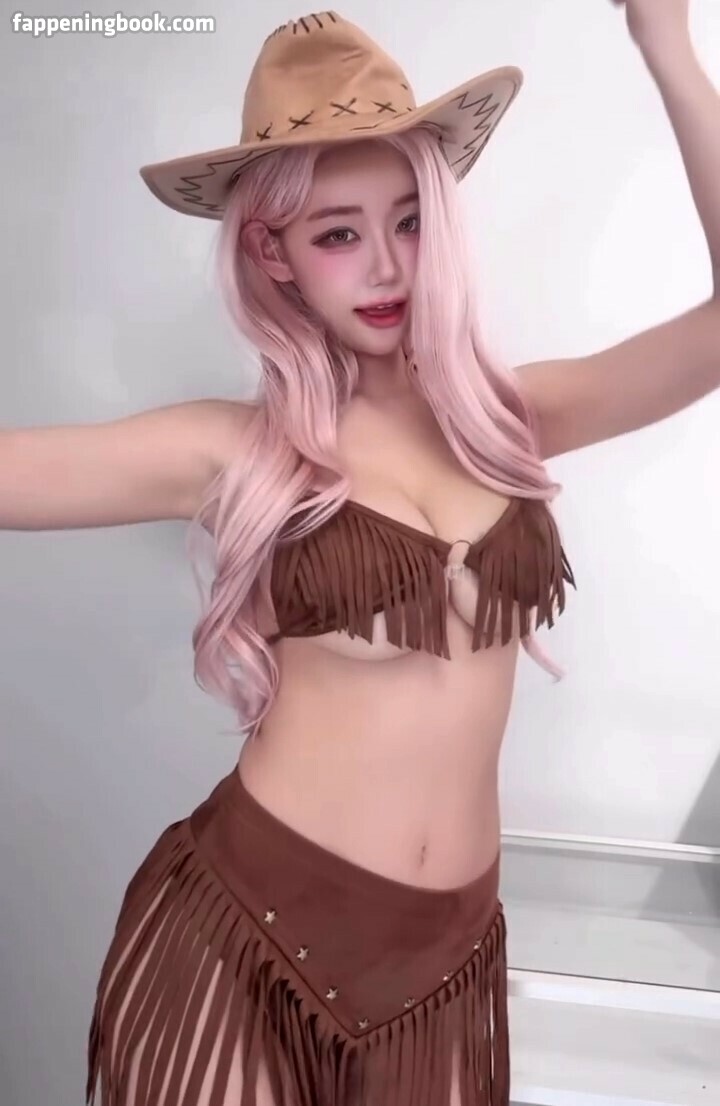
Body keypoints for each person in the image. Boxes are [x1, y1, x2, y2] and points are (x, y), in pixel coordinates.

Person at [4, 4, 718, 1105]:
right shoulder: (236, 450)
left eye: (409, 221)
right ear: (273, 253)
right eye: (338, 233)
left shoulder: (511, 419)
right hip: (243, 947)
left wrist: (668, 45)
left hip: (446, 968)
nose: (386, 266)